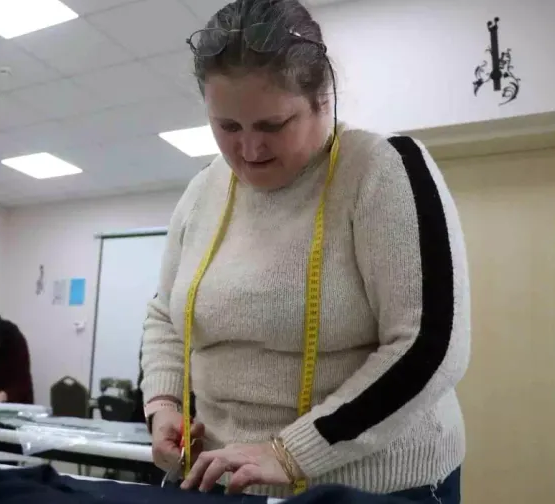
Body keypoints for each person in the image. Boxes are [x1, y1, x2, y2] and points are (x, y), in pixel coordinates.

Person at [139, 1, 470, 502]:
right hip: (221, 477)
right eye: (227, 127)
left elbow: (429, 345)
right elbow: (166, 315)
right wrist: (163, 404)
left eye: (272, 126)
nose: (248, 150)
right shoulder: (203, 190)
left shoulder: (383, 170)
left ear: (323, 99)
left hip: (373, 485)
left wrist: (292, 452)